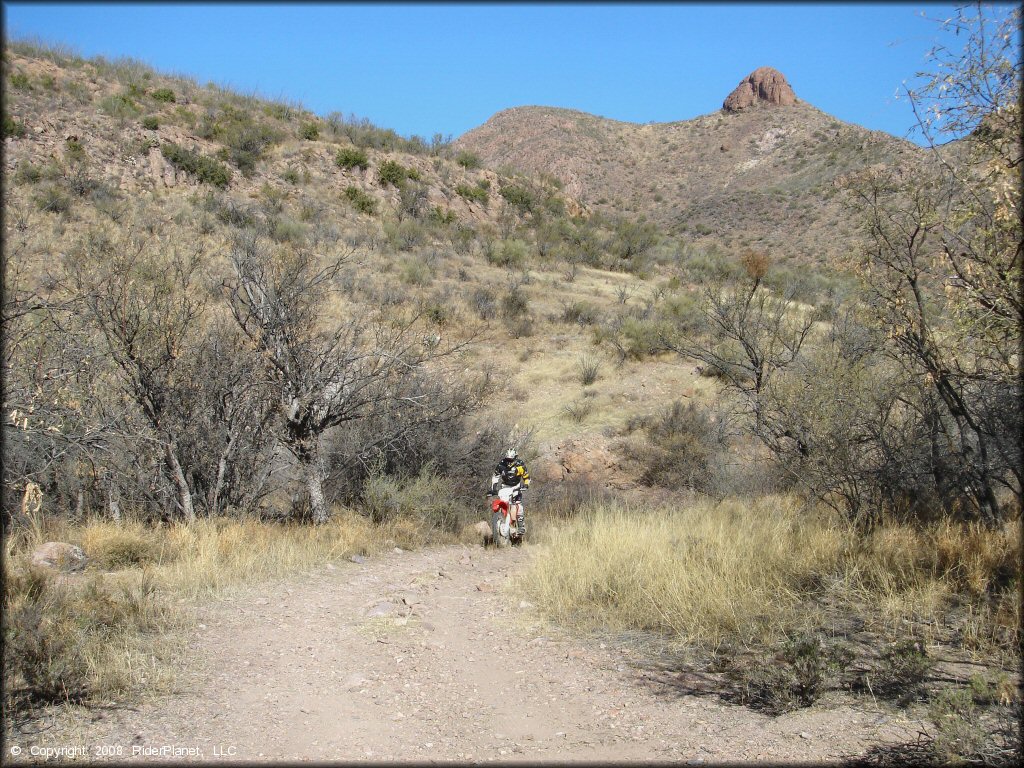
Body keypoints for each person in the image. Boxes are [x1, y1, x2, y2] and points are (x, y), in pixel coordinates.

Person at [488, 448, 530, 536]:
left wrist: (526, 485)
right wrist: (493, 489)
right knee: (502, 501)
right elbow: (495, 477)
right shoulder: (501, 464)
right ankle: (500, 521)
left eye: (511, 459)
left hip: (516, 486)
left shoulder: (520, 465)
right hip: (505, 486)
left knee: (517, 504)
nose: (509, 461)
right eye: (507, 459)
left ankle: (521, 526)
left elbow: (526, 477)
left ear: (515, 458)